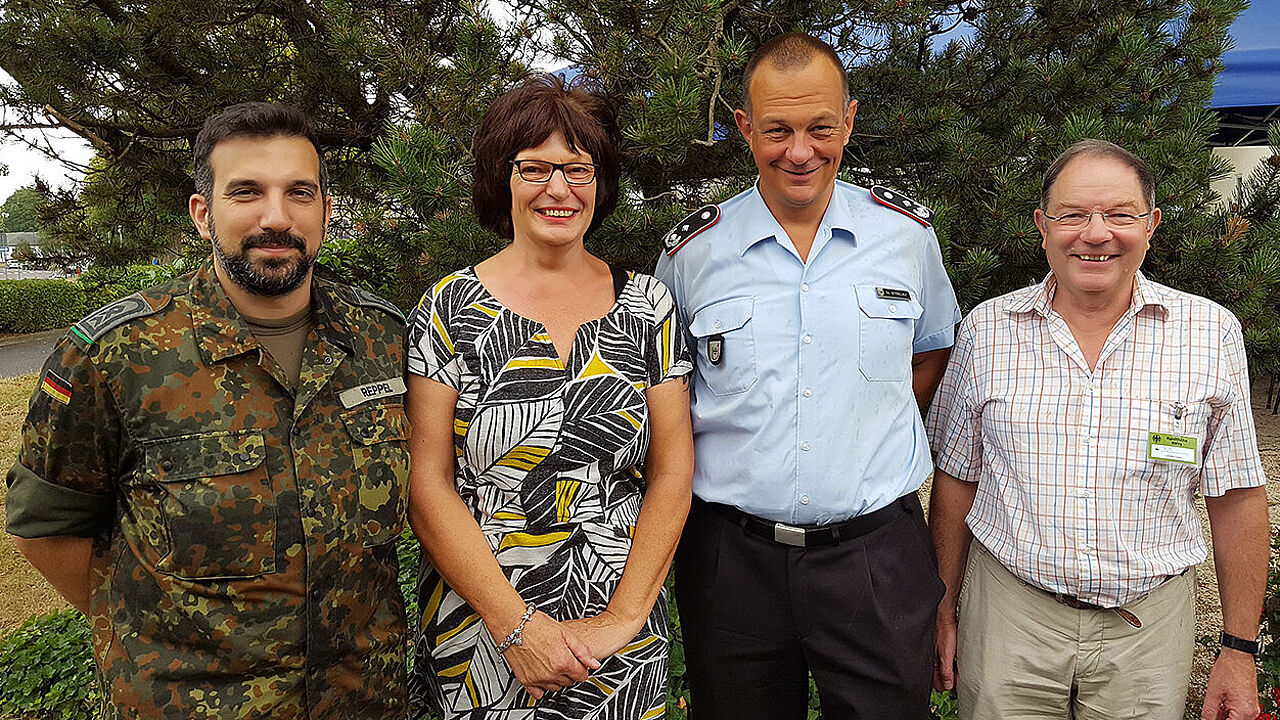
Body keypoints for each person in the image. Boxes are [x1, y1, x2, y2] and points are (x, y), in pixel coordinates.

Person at [4, 102, 410, 719]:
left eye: (300, 193)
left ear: (326, 211)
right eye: (246, 192)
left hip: (366, 702)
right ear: (203, 213)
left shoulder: (384, 340)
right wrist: (157, 635)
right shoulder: (118, 354)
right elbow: (49, 533)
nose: (277, 217)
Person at [654, 33, 961, 720]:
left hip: (875, 557)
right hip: (733, 561)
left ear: (848, 120)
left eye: (821, 128)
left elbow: (932, 348)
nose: (800, 151)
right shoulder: (691, 255)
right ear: (744, 129)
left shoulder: (906, 238)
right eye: (778, 130)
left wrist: (855, 426)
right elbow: (669, 392)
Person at [927, 139, 1269, 720]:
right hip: (1011, 620)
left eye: (1119, 214)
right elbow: (956, 481)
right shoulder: (987, 331)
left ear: (1151, 224)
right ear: (1042, 225)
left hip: (1147, 630)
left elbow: (1236, 497)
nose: (1095, 233)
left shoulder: (1210, 335)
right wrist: (942, 608)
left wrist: (1238, 650)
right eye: (1073, 215)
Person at [404, 74, 694, 719]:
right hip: (480, 633)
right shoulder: (448, 309)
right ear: (501, 178)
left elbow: (672, 476)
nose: (558, 189)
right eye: (535, 169)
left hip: (617, 640)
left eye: (577, 169)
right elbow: (429, 485)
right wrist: (517, 629)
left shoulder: (649, 306)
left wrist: (621, 621)